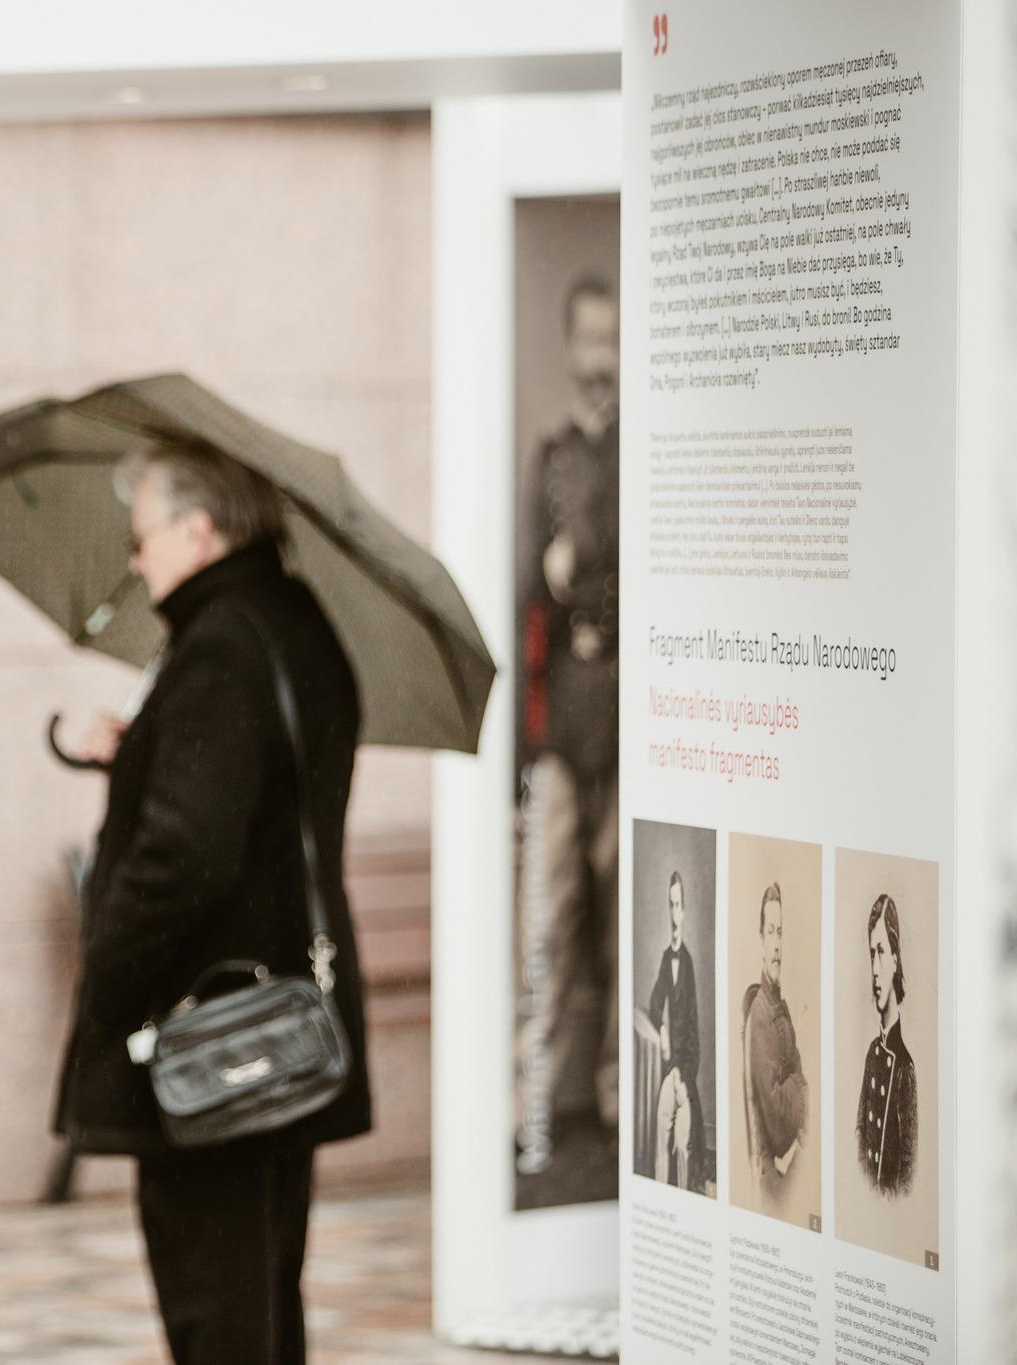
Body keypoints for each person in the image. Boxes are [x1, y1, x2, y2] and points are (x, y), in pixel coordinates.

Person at [55, 444, 373, 1365]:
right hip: (280, 1021)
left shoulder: (220, 647)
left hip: (211, 1037)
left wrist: (107, 969)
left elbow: (186, 851)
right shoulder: (293, 623)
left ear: (198, 531)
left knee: (218, 1311)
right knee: (264, 1293)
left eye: (142, 536)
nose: (134, 558)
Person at [514, 274, 622, 1182]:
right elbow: (529, 591)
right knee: (546, 924)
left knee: (625, 927)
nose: (601, 358)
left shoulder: (646, 447)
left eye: (613, 340)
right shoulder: (550, 458)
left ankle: (624, 1110)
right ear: (569, 345)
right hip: (560, 728)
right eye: (589, 340)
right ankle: (535, 1113)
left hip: (631, 728)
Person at [742, 882, 808, 1199]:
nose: (777, 944)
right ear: (761, 939)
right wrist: (797, 1085)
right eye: (771, 932)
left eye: (780, 932)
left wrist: (793, 1083)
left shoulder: (782, 1007)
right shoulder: (759, 1013)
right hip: (772, 1177)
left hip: (789, 1159)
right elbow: (779, 1123)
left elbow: (799, 1072)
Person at [856, 893, 918, 1195]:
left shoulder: (905, 1068)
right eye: (872, 954)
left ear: (895, 959)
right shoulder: (872, 1054)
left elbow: (908, 1175)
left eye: (881, 951)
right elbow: (859, 1134)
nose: (875, 968)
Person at [645, 870, 700, 1188]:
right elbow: (655, 1003)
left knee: (682, 1145)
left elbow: (693, 1030)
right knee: (659, 1135)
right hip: (670, 1071)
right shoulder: (667, 958)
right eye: (670, 904)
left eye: (678, 905)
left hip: (686, 1075)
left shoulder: (687, 963)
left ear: (685, 911)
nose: (674, 912)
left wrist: (684, 1075)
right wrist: (662, 1029)